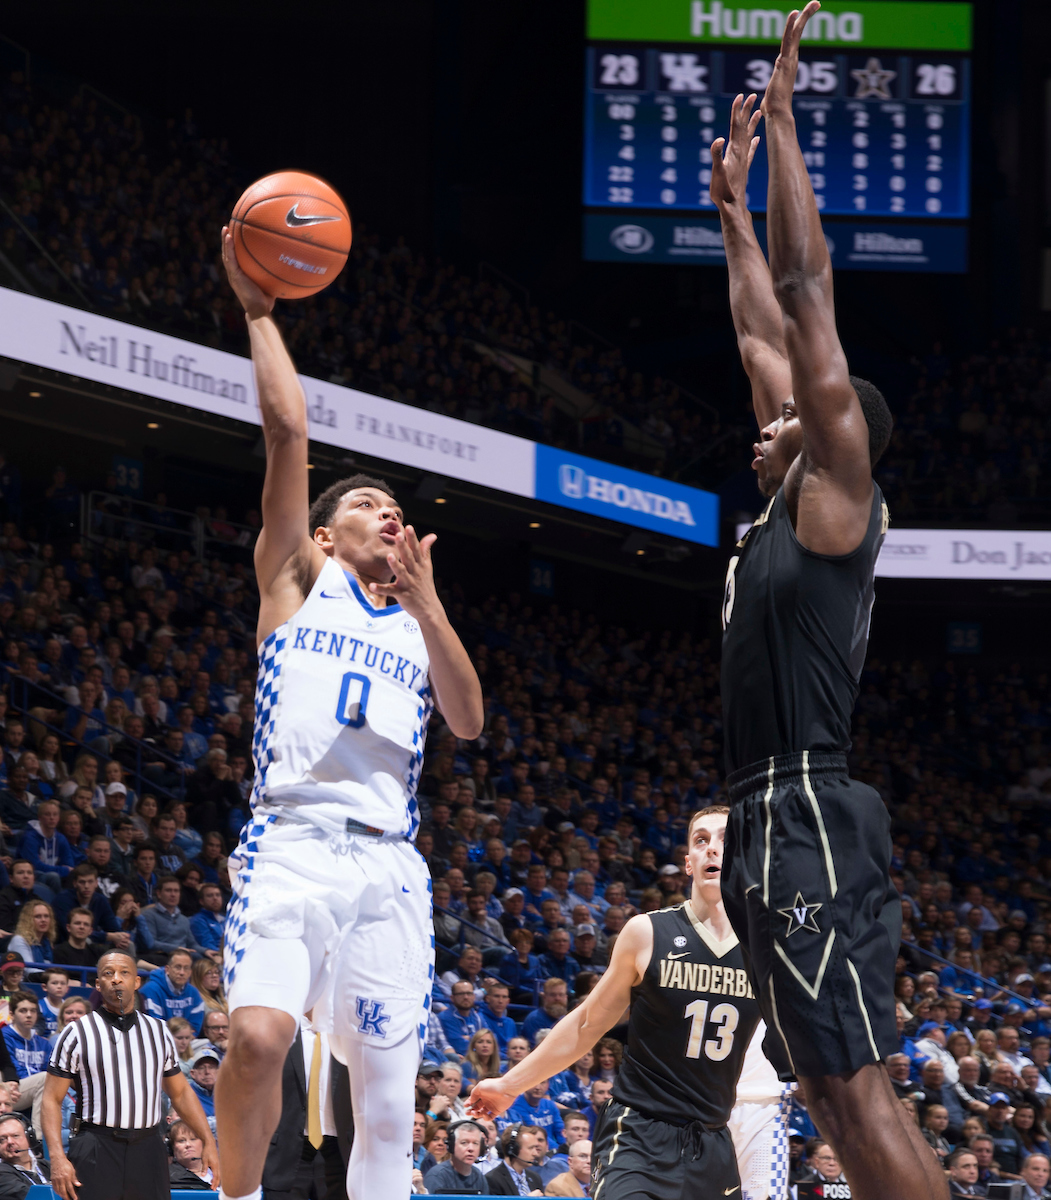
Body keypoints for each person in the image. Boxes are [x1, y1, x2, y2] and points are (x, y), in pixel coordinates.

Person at [710, 14, 932, 1199]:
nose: (769, 417)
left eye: (792, 410)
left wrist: (787, 124)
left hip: (808, 799)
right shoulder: (781, 497)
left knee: (857, 1087)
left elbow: (801, 298)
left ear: (837, 427)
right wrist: (728, 213)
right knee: (827, 1092)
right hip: (763, 808)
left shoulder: (837, 493)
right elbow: (759, 325)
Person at [215, 224, 483, 1200]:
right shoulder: (298, 580)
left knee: (385, 1109)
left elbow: (468, 721)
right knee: (257, 1038)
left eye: (395, 508)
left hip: (385, 870)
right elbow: (288, 435)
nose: (388, 512)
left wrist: (432, 606)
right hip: (290, 846)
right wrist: (258, 313)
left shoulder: (417, 624)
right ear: (326, 535)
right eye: (368, 504)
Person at [468, 807, 761, 1200]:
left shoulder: (765, 950)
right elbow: (586, 1023)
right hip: (639, 1133)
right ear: (688, 863)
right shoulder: (647, 932)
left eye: (725, 839)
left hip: (712, 1139)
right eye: (701, 840)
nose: (712, 848)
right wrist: (509, 1085)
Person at [42, 951, 219, 1200]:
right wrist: (58, 1157)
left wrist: (208, 1140)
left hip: (148, 1146)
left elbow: (180, 1093)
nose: (116, 979)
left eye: (124, 972)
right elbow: (51, 1099)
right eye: (108, 973)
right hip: (96, 1143)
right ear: (98, 984)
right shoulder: (76, 1032)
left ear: (136, 982)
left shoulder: (159, 1031)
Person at [138, 949, 206, 1033]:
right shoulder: (151, 990)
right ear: (167, 969)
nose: (182, 972)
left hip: (186, 1039)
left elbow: (195, 1027)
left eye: (186, 968)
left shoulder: (194, 993)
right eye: (178, 967)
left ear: (190, 972)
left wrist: (184, 1038)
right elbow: (155, 1025)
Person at [423, 1118, 490, 1194]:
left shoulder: (479, 1176)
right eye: (464, 1143)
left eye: (475, 1143)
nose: (471, 1149)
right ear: (451, 1146)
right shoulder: (436, 1175)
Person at [484, 1124, 545, 1196]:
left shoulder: (535, 1178)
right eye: (530, 1148)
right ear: (513, 1150)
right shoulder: (493, 1179)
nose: (535, 1153)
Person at [0, 1112, 50, 1196]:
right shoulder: (2, 1174)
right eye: (2, 1139)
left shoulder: (47, 1166)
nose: (10, 1142)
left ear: (29, 1138)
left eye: (15, 1136)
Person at [168, 1119, 215, 1191]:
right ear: (172, 1147)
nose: (188, 1144)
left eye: (193, 1139)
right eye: (181, 1141)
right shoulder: (167, 1178)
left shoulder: (223, 1172)